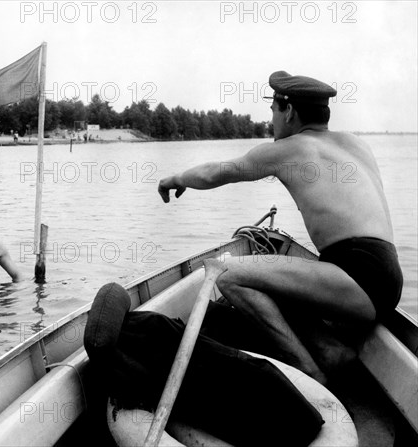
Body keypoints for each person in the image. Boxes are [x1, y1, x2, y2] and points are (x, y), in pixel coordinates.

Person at [157, 71, 403, 385]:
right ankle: (328, 349)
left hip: (355, 276)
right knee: (277, 280)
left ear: (288, 111)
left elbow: (214, 174)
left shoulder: (290, 149)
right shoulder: (356, 144)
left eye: (273, 110)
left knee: (226, 274)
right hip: (387, 278)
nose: (271, 119)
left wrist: (174, 179)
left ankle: (309, 371)